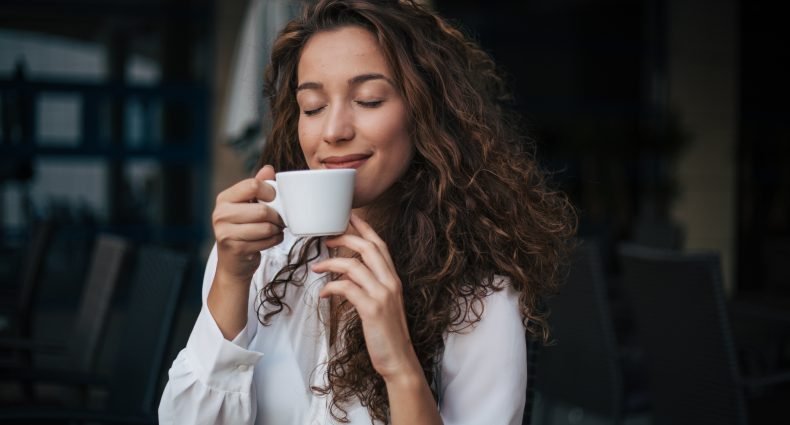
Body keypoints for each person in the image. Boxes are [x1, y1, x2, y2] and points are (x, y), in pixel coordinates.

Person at [158, 0, 576, 424]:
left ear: (425, 112)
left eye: (369, 100)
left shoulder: (477, 294)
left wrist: (399, 363)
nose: (334, 131)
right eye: (313, 107)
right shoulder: (262, 256)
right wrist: (230, 278)